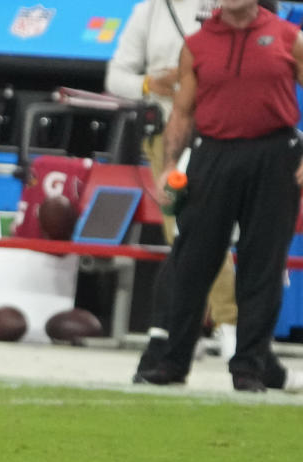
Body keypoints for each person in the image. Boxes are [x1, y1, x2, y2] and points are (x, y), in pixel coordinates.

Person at [134, 0, 303, 392]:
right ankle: (173, 361)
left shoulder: (288, 37)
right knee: (192, 260)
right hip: (212, 155)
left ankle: (249, 366)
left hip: (274, 154)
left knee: (263, 263)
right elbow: (182, 110)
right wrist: (171, 165)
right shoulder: (197, 44)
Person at [106, 0, 240, 362]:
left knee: (209, 230)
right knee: (182, 232)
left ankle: (222, 325)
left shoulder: (228, 5)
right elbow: (116, 77)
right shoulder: (149, 11)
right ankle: (209, 326)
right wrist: (152, 82)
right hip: (168, 135)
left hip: (224, 131)